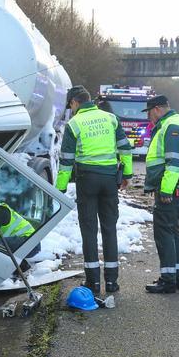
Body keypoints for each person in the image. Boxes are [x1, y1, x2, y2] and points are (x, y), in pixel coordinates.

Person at [55, 85, 133, 294]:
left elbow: (66, 161)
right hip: (109, 180)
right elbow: (125, 147)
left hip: (87, 180)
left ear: (75, 103)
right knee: (109, 229)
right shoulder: (110, 118)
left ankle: (93, 283)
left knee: (89, 231)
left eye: (70, 106)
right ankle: (111, 282)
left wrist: (60, 188)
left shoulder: (74, 124)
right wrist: (126, 175)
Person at [142, 95, 179, 294]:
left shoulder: (171, 126)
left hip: (172, 186)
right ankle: (175, 277)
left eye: (149, 113)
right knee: (171, 231)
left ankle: (168, 280)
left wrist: (165, 191)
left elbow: (174, 163)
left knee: (164, 232)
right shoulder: (172, 124)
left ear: (156, 109)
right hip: (175, 185)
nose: (149, 118)